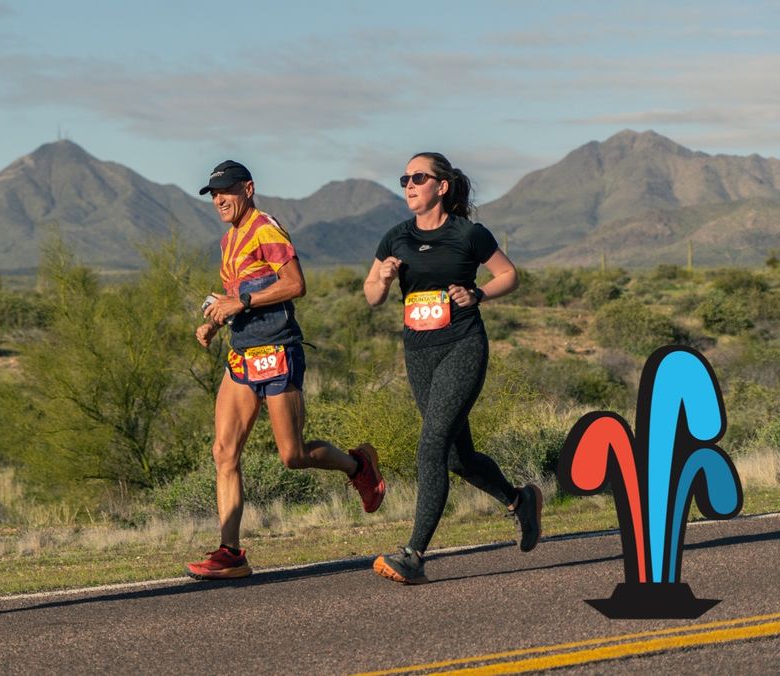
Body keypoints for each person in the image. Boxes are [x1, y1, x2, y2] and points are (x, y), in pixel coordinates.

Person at [186, 161, 386, 580]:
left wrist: (240, 303)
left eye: (226, 191)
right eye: (213, 194)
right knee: (224, 452)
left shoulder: (266, 228)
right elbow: (234, 292)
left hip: (278, 350)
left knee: (292, 456)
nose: (219, 200)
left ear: (249, 189)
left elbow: (295, 284)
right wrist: (215, 318)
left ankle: (358, 466)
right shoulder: (228, 241)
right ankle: (231, 553)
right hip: (242, 354)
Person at [363, 153, 542, 584]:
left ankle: (413, 554)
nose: (409, 184)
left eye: (418, 178)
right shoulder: (395, 238)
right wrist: (384, 279)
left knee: (431, 445)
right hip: (419, 354)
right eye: (405, 178)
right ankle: (519, 501)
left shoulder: (469, 233)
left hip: (463, 346)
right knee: (458, 458)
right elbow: (371, 295)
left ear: (441, 186)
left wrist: (478, 294)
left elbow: (509, 274)